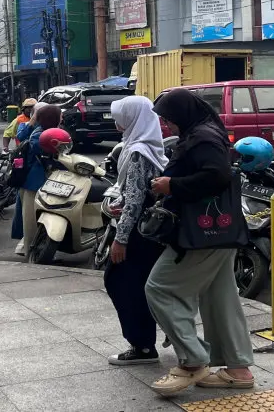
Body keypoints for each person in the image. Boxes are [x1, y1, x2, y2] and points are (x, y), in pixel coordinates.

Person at [145, 88, 255, 396]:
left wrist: (172, 185)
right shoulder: (206, 131)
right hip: (220, 230)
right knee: (220, 299)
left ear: (182, 115)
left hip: (201, 234)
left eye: (168, 119)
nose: (166, 126)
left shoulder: (202, 138)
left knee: (159, 288)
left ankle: (193, 360)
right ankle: (237, 369)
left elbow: (217, 175)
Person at [104, 96, 168, 366]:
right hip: (150, 232)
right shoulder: (149, 145)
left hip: (139, 235)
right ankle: (159, 335)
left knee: (120, 282)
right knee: (142, 285)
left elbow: (135, 199)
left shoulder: (138, 152)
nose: (117, 123)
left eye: (120, 117)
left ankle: (142, 346)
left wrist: (121, 239)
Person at [12, 102, 62, 255]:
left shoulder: (55, 131)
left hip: (47, 181)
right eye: (60, 116)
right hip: (32, 181)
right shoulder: (38, 133)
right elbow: (24, 138)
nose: (62, 118)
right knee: (30, 220)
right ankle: (30, 251)